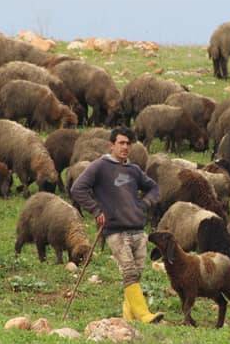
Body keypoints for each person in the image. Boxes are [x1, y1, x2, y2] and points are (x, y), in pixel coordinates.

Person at [70, 126, 164, 324]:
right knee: (129, 271)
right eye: (121, 143)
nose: (125, 147)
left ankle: (129, 318)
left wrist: (144, 204)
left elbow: (154, 188)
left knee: (136, 275)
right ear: (111, 145)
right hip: (115, 231)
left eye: (128, 143)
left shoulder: (134, 170)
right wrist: (96, 210)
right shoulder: (99, 166)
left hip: (138, 230)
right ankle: (144, 315)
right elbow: (77, 188)